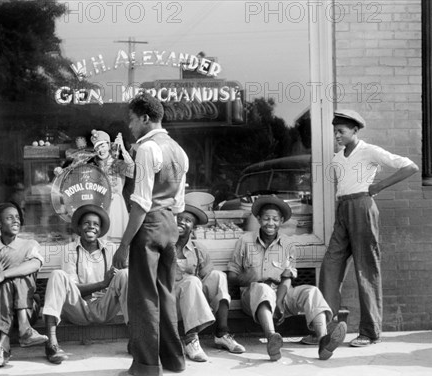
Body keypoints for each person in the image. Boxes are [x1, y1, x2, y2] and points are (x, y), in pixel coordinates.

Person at [319, 110, 419, 347]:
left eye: (341, 131)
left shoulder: (369, 150)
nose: (337, 136)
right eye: (335, 132)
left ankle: (370, 332)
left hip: (363, 206)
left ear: (355, 130)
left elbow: (410, 166)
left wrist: (380, 186)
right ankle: (324, 329)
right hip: (343, 209)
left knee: (366, 269)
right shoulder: (337, 158)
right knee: (330, 266)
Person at [113, 92, 189, 376]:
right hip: (170, 224)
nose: (130, 127)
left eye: (132, 120)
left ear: (145, 118)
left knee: (143, 297)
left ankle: (145, 367)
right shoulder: (179, 150)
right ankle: (174, 359)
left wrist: (123, 245)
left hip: (148, 226)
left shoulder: (146, 149)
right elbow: (179, 203)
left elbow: (141, 203)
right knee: (166, 294)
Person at [227, 195, 347, 361]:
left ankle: (323, 340)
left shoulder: (288, 244)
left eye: (275, 219)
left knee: (311, 291)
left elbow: (287, 277)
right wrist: (246, 278)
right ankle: (271, 338)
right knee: (262, 288)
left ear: (281, 221)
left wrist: (280, 301)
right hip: (253, 297)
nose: (271, 223)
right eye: (267, 218)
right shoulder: (245, 241)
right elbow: (231, 275)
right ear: (259, 219)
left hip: (281, 294)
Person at [42, 204, 128, 364]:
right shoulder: (69, 250)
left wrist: (111, 282)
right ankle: (51, 343)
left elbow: (119, 283)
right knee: (57, 275)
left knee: (126, 274)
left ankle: (136, 338)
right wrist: (103, 283)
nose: (91, 227)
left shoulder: (110, 249)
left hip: (104, 308)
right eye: (87, 223)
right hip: (78, 309)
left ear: (100, 230)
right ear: (79, 228)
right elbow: (73, 288)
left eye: (96, 224)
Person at [174, 198, 245, 362]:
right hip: (169, 302)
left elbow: (208, 280)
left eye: (188, 220)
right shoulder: (162, 246)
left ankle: (221, 333)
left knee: (218, 276)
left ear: (194, 228)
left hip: (192, 301)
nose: (183, 223)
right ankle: (190, 339)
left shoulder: (199, 250)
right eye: (179, 219)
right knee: (192, 281)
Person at [0, 202, 48, 367]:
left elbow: (35, 265)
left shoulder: (29, 245)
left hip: (29, 307)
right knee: (8, 283)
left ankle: (3, 348)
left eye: (17, 217)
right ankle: (25, 330)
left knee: (17, 276)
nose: (16, 221)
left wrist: (2, 274)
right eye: (9, 218)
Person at [90, 129, 135, 242]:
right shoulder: (92, 166)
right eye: (97, 147)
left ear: (109, 145)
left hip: (115, 205)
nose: (101, 150)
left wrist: (124, 149)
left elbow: (131, 171)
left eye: (103, 145)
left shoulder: (117, 163)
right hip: (99, 206)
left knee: (115, 240)